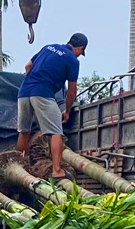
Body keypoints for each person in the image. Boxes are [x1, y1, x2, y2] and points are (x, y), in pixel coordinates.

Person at [17, 33, 87, 179]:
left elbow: (27, 66)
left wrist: (35, 80)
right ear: (79, 49)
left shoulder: (49, 47)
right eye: (81, 52)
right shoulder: (73, 60)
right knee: (55, 132)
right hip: (43, 92)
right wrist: (66, 111)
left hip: (24, 91)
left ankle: (21, 168)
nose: (80, 55)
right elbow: (72, 92)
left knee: (24, 131)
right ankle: (57, 171)